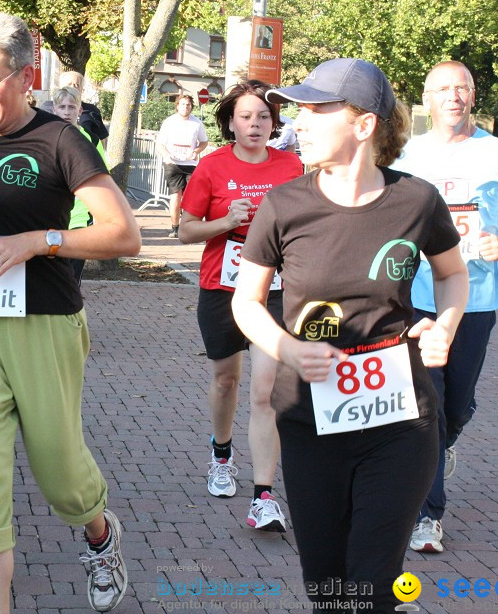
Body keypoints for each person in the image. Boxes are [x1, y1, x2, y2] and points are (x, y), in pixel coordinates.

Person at [0, 12, 141, 614]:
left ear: (25, 77)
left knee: (59, 471)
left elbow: (123, 235)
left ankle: (99, 533)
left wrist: (39, 241)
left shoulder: (61, 141)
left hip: (43, 321)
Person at [230, 58, 469, 613]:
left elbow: (453, 275)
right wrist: (288, 348)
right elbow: (246, 301)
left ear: (364, 125)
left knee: (372, 581)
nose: (299, 121)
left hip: (400, 421)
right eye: (299, 109)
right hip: (312, 423)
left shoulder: (417, 201)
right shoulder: (285, 205)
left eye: (316, 109)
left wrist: (447, 325)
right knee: (328, 587)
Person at [391, 60, 498, 554]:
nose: (454, 96)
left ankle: (453, 428)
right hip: (417, 300)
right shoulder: (406, 156)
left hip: (476, 300)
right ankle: (427, 515)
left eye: (463, 88)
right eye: (444, 89)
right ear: (427, 99)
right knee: (427, 408)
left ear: (473, 97)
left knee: (454, 405)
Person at [177, 80, 303, 530]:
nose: (255, 124)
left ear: (274, 123)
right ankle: (221, 453)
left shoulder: (293, 166)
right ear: (231, 121)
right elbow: (185, 230)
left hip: (274, 290)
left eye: (264, 117)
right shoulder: (212, 166)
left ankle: (263, 494)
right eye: (247, 116)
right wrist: (227, 221)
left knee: (266, 389)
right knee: (227, 380)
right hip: (222, 287)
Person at [51, 85, 109, 283]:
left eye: (71, 107)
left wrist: (101, 217)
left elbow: (101, 177)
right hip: (49, 220)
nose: (66, 112)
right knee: (51, 280)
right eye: (62, 107)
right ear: (54, 110)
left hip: (79, 220)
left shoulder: (91, 140)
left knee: (71, 281)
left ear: (80, 110)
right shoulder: (43, 137)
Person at [157, 94, 209, 237]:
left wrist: (197, 151)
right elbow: (160, 143)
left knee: (191, 196)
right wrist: (167, 156)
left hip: (190, 164)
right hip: (173, 163)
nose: (186, 107)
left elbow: (204, 142)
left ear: (191, 107)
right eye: (183, 104)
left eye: (188, 105)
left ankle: (190, 226)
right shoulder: (169, 122)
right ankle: (175, 228)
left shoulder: (197, 123)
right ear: (177, 106)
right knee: (176, 195)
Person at [40, 70, 110, 142]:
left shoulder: (92, 110)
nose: (72, 87)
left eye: (76, 85)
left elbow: (101, 138)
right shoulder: (46, 107)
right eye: (69, 84)